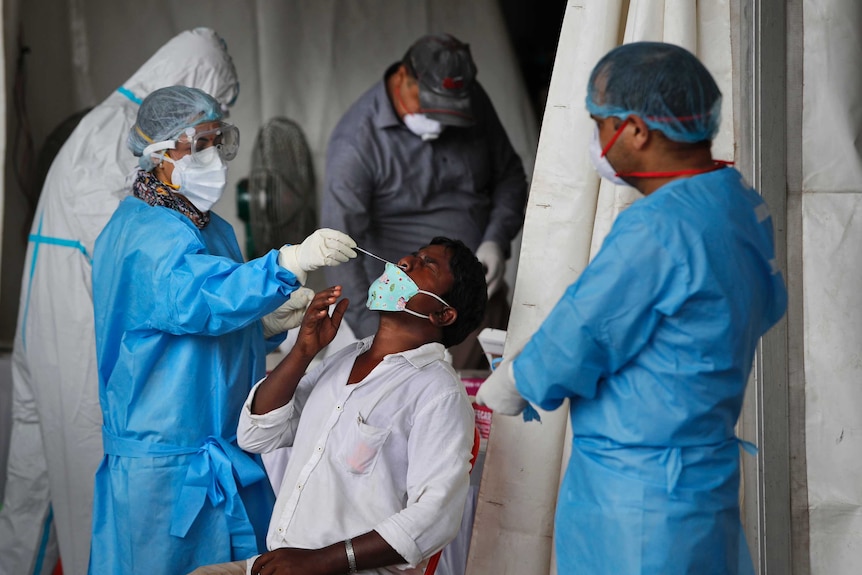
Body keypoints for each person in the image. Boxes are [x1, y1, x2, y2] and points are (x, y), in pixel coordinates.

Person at [477, 42, 788, 575]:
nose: (597, 140)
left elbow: (583, 331)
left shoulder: (658, 227)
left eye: (601, 123)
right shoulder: (738, 201)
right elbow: (764, 306)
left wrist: (514, 380)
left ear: (638, 131)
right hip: (702, 485)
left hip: (637, 499)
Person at [88, 85, 357, 575]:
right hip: (164, 470)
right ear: (159, 153)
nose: (212, 157)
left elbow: (208, 328)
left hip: (223, 449)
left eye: (218, 141)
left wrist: (263, 323)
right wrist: (288, 262)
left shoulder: (209, 227)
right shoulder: (143, 235)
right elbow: (199, 300)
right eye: (199, 145)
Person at [0, 28, 239, 575]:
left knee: (35, 483)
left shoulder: (105, 126)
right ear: (194, 85)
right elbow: (149, 266)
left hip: (51, 320)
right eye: (210, 116)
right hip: (81, 329)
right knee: (89, 488)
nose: (207, 144)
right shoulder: (114, 141)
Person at [191, 236, 487, 575]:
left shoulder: (437, 392)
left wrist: (321, 561)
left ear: (443, 314)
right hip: (283, 561)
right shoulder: (345, 359)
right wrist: (303, 352)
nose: (406, 262)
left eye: (427, 265)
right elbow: (256, 435)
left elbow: (436, 517)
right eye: (415, 255)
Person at [321, 33, 527, 369]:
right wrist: (378, 340)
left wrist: (495, 238)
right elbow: (341, 252)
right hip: (410, 316)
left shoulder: (468, 96)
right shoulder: (356, 144)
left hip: (479, 300)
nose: (441, 120)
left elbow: (510, 177)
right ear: (402, 77)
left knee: (488, 407)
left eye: (452, 112)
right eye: (429, 104)